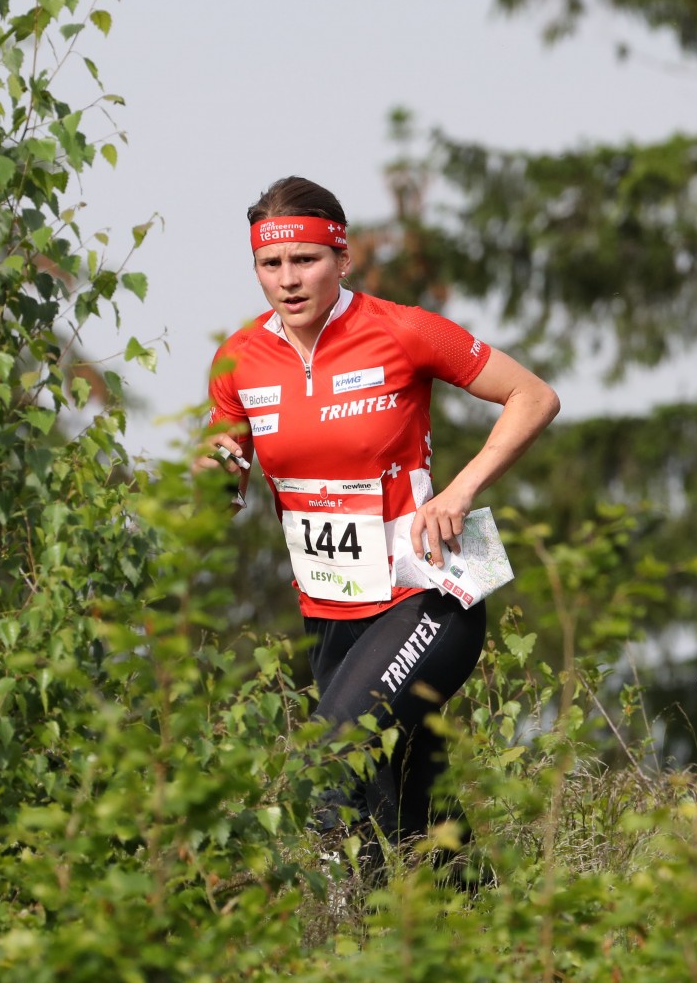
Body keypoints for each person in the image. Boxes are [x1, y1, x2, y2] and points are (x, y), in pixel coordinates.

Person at [200, 176, 559, 855]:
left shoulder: (401, 329)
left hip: (427, 591)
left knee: (331, 761)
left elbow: (533, 396)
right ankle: (477, 914)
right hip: (330, 608)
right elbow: (224, 462)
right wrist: (213, 475)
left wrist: (459, 491)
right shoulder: (238, 359)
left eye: (305, 259)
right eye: (270, 263)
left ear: (342, 258)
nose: (288, 279)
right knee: (407, 808)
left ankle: (330, 917)